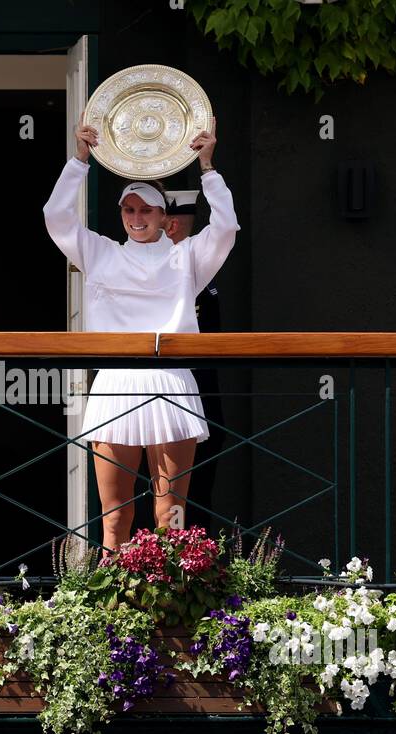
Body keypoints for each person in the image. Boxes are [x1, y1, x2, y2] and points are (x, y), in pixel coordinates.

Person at [44, 113, 238, 553]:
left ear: (164, 216)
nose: (136, 217)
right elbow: (55, 216)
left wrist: (209, 168)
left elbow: (225, 229)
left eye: (146, 209)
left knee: (172, 516)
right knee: (115, 518)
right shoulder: (100, 252)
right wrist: (80, 159)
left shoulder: (187, 257)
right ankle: (110, 618)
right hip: (115, 383)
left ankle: (171, 608)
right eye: (129, 209)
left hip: (171, 381)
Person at [165, 189, 226, 528]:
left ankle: (193, 562)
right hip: (159, 389)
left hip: (199, 390)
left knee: (197, 487)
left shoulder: (199, 270)